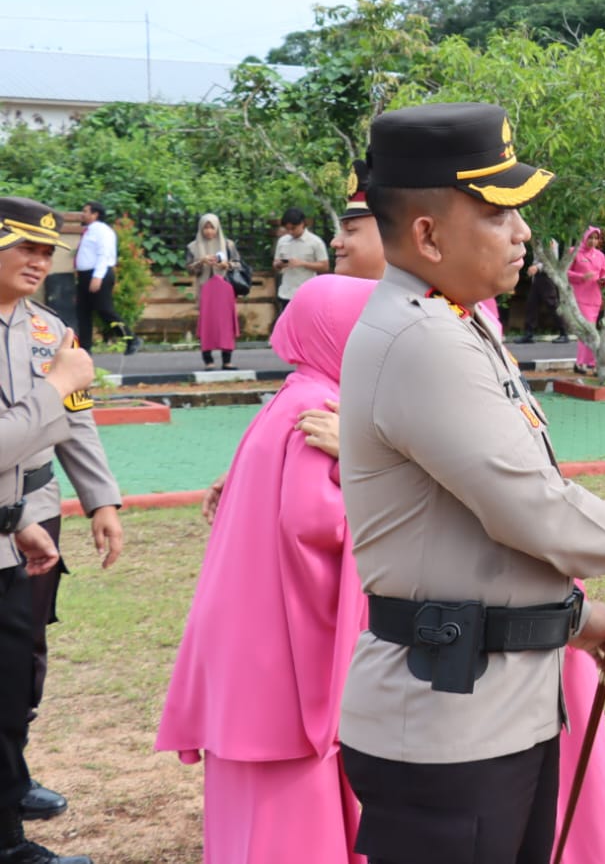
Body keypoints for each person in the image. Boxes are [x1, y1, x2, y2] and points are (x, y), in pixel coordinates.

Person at [337, 102, 605, 864]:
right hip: (447, 728)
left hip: (486, 708)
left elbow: (469, 543)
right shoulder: (422, 337)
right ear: (428, 235)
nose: (523, 232)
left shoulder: (447, 320)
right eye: (499, 212)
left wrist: (573, 619)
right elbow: (526, 508)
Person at [156, 274, 379, 864]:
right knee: (293, 830)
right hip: (285, 664)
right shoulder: (325, 410)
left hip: (245, 661)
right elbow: (321, 529)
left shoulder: (294, 394)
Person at [0, 198, 127, 834]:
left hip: (38, 509)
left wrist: (100, 499)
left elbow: (76, 420)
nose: (40, 260)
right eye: (24, 246)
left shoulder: (50, 329)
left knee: (26, 655)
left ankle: (14, 777)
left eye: (48, 251)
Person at [72, 201, 140, 356]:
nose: (82, 214)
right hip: (85, 275)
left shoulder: (103, 231)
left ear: (95, 214)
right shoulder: (88, 231)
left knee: (105, 310)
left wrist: (97, 276)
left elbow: (104, 254)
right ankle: (85, 349)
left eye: (85, 211)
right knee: (83, 312)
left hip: (98, 274)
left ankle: (131, 338)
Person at [186, 214, 241, 371]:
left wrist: (226, 265)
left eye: (212, 227)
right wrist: (201, 261)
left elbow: (238, 264)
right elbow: (189, 268)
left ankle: (227, 360)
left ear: (217, 228)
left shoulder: (228, 245)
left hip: (224, 290)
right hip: (205, 290)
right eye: (206, 227)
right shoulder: (193, 246)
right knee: (206, 324)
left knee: (226, 324)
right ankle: (208, 360)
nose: (209, 231)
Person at [272, 207, 330, 326]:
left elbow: (325, 266)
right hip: (286, 291)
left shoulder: (315, 242)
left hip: (307, 292)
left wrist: (303, 263)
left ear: (302, 224)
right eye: (287, 229)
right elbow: (275, 263)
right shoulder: (283, 241)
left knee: (306, 324)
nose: (291, 232)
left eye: (293, 228)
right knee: (288, 324)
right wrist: (279, 264)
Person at [567, 227, 605, 375]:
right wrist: (580, 277)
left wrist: (604, 281)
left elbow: (604, 272)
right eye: (590, 238)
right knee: (586, 330)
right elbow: (565, 271)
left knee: (591, 330)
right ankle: (582, 363)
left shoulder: (600, 256)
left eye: (596, 238)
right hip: (580, 296)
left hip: (595, 297)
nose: (593, 241)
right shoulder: (574, 251)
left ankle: (589, 362)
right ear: (585, 237)